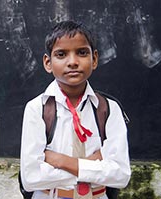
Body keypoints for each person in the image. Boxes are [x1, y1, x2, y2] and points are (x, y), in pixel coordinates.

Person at [20, 20, 131, 199]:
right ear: (48, 63)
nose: (72, 62)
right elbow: (31, 177)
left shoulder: (108, 109)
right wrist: (93, 164)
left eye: (81, 53)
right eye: (62, 54)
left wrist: (61, 161)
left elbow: (120, 175)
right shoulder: (37, 109)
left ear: (94, 59)